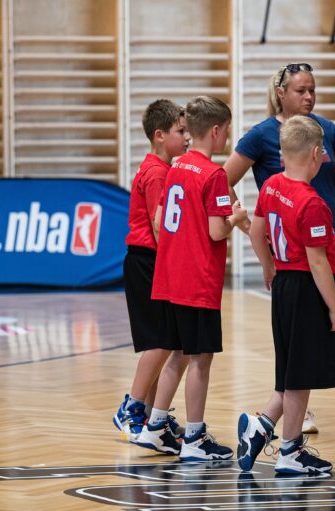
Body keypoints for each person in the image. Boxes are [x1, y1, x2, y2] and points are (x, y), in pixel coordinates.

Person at [223, 63, 335, 433]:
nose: (308, 97)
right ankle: (297, 411)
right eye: (300, 90)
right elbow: (222, 180)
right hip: (294, 255)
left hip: (329, 241)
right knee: (296, 332)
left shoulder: (324, 130)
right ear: (281, 94)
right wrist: (243, 222)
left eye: (312, 90)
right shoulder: (260, 136)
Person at [135, 95, 247, 461]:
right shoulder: (214, 175)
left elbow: (160, 220)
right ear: (215, 131)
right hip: (198, 281)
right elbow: (216, 231)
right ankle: (195, 438)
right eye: (227, 130)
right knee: (200, 358)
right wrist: (235, 218)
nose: (228, 136)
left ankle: (155, 426)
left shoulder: (176, 167)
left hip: (170, 277)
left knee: (178, 353)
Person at [237, 115, 335, 474]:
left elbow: (256, 232)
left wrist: (268, 266)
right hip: (305, 289)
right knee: (300, 374)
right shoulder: (313, 203)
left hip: (283, 286)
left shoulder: (270, 186)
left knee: (290, 370)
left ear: (282, 154)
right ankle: (290, 451)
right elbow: (318, 262)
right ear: (316, 154)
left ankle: (262, 427)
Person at [113, 99, 191, 442]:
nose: (187, 137)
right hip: (148, 261)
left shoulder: (161, 168)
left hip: (152, 261)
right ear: (160, 135)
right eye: (180, 131)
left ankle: (150, 413)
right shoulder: (158, 172)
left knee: (167, 341)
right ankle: (130, 408)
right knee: (160, 342)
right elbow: (161, 226)